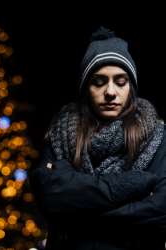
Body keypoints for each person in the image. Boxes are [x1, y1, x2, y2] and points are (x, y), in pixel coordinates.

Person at [29, 27, 166, 250]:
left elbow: (160, 209)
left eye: (120, 82)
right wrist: (134, 185)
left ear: (131, 87)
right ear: (85, 88)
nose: (110, 92)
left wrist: (77, 211)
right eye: (99, 82)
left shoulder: (157, 136)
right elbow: (51, 198)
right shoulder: (60, 134)